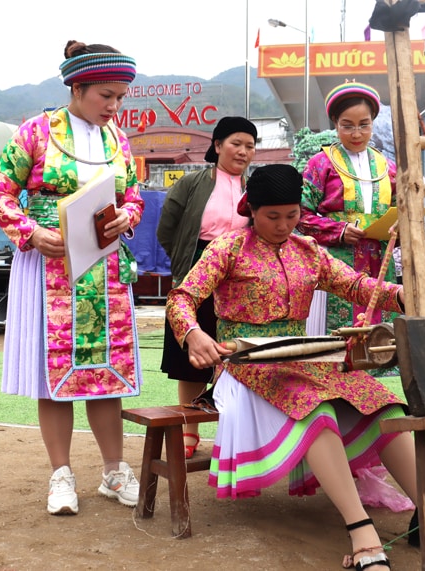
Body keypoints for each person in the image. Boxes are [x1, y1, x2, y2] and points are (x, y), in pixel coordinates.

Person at [166, 164, 425, 568]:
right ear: (252, 209)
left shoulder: (308, 250)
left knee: (383, 405)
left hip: (304, 357)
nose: (284, 225)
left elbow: (355, 285)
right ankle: (361, 530)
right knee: (314, 409)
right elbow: (180, 297)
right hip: (245, 363)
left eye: (292, 215)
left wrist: (404, 294)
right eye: (272, 216)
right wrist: (194, 335)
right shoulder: (227, 248)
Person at [0, 39, 144, 516]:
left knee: (106, 372)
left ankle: (114, 472)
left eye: (120, 97)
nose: (114, 107)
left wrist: (127, 217)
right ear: (77, 87)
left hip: (104, 268)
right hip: (48, 267)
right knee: (50, 372)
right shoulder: (35, 133)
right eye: (106, 96)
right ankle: (61, 475)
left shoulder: (119, 139)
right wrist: (32, 233)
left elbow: (133, 194)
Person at [156, 116, 257, 459]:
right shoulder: (191, 184)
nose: (243, 151)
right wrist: (187, 262)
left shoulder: (255, 188)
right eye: (236, 143)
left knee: (237, 353)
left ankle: (239, 432)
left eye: (249, 145)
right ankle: (190, 429)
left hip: (242, 276)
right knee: (194, 355)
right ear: (217, 146)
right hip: (197, 272)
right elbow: (166, 230)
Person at [298, 81, 397, 334]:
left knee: (381, 329)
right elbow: (300, 213)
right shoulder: (320, 164)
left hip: (380, 260)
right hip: (338, 259)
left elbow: (400, 211)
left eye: (364, 125)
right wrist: (339, 230)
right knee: (338, 334)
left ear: (373, 122)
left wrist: (398, 226)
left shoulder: (388, 167)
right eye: (347, 126)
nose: (356, 134)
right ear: (335, 123)